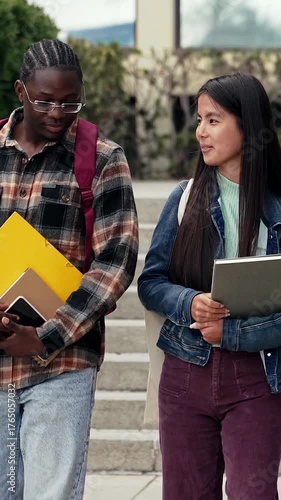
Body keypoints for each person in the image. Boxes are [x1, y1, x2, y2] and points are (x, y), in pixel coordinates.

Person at [0, 38, 138, 500]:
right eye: (44, 100)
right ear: (20, 90)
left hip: (63, 364)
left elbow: (116, 261)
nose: (58, 112)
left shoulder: (101, 159)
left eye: (70, 102)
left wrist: (46, 336)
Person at [138, 72, 281, 499]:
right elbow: (151, 282)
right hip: (185, 373)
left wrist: (235, 332)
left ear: (248, 125)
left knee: (251, 493)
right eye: (200, 119)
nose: (201, 131)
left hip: (258, 377)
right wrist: (190, 301)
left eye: (214, 119)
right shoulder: (184, 197)